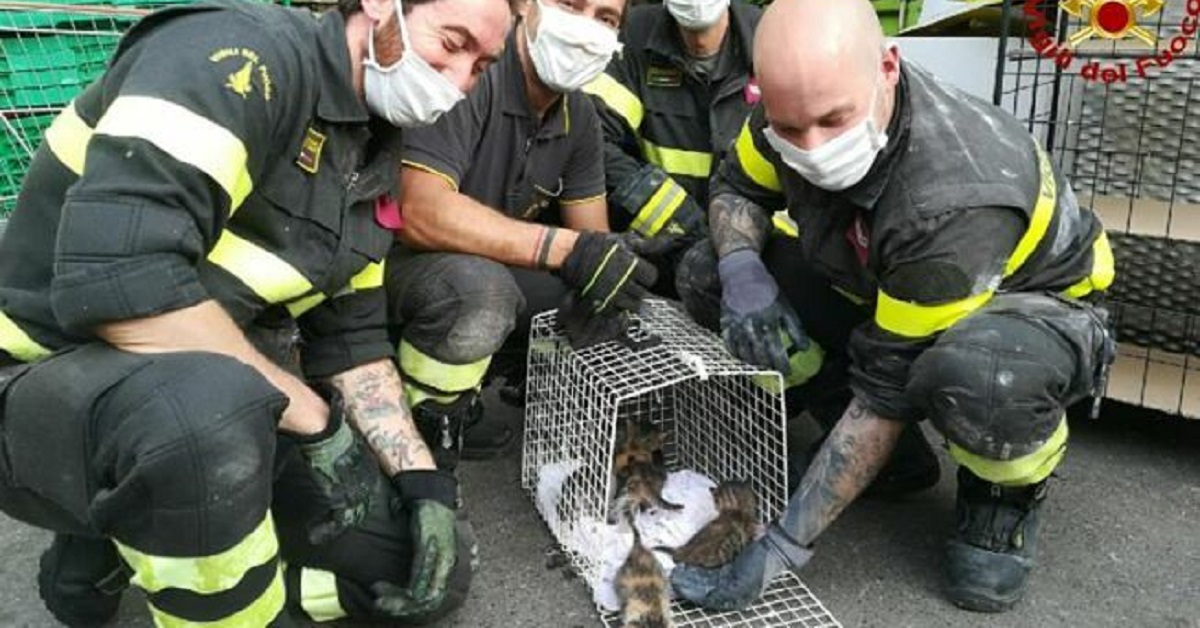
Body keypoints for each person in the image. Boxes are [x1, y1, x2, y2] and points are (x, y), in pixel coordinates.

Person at [0, 0, 512, 624]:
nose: (458, 84)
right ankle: (109, 537)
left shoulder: (373, 154)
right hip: (41, 380)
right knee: (201, 419)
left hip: (216, 388)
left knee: (436, 569)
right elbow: (119, 281)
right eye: (451, 43)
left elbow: (353, 339)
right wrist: (318, 423)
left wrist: (421, 482)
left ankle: (176, 549)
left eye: (481, 67)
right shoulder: (237, 55)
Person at [672, 0, 1115, 614]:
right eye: (791, 128)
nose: (813, 146)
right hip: (890, 281)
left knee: (979, 376)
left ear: (887, 66)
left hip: (1031, 308)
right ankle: (884, 456)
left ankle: (1001, 495)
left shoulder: (951, 194)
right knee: (708, 272)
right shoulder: (789, 107)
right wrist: (743, 270)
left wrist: (781, 549)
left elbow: (888, 389)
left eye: (833, 119)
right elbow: (738, 187)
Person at [382, 0, 654, 463]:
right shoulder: (476, 70)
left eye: (605, 18)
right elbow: (418, 212)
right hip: (394, 264)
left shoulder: (580, 117)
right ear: (525, 5)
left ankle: (526, 390)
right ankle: (423, 420)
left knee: (593, 293)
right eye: (570, 5)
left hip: (485, 266)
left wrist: (616, 262)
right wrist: (566, 249)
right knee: (484, 292)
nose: (584, 29)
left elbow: (591, 235)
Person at [584, 0, 760, 257]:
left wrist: (740, 240)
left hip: (767, 247)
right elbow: (592, 141)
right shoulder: (631, 36)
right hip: (664, 246)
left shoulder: (772, 40)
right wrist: (679, 220)